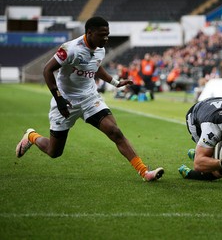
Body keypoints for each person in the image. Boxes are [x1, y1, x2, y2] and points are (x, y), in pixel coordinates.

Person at [15, 16, 164, 181]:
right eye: (102, 35)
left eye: (107, 35)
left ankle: (144, 172)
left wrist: (115, 82)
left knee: (115, 132)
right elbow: (47, 70)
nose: (106, 39)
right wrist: (59, 99)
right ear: (90, 33)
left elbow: (95, 65)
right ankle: (31, 136)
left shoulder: (100, 49)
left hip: (89, 98)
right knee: (54, 151)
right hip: (66, 101)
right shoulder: (70, 49)